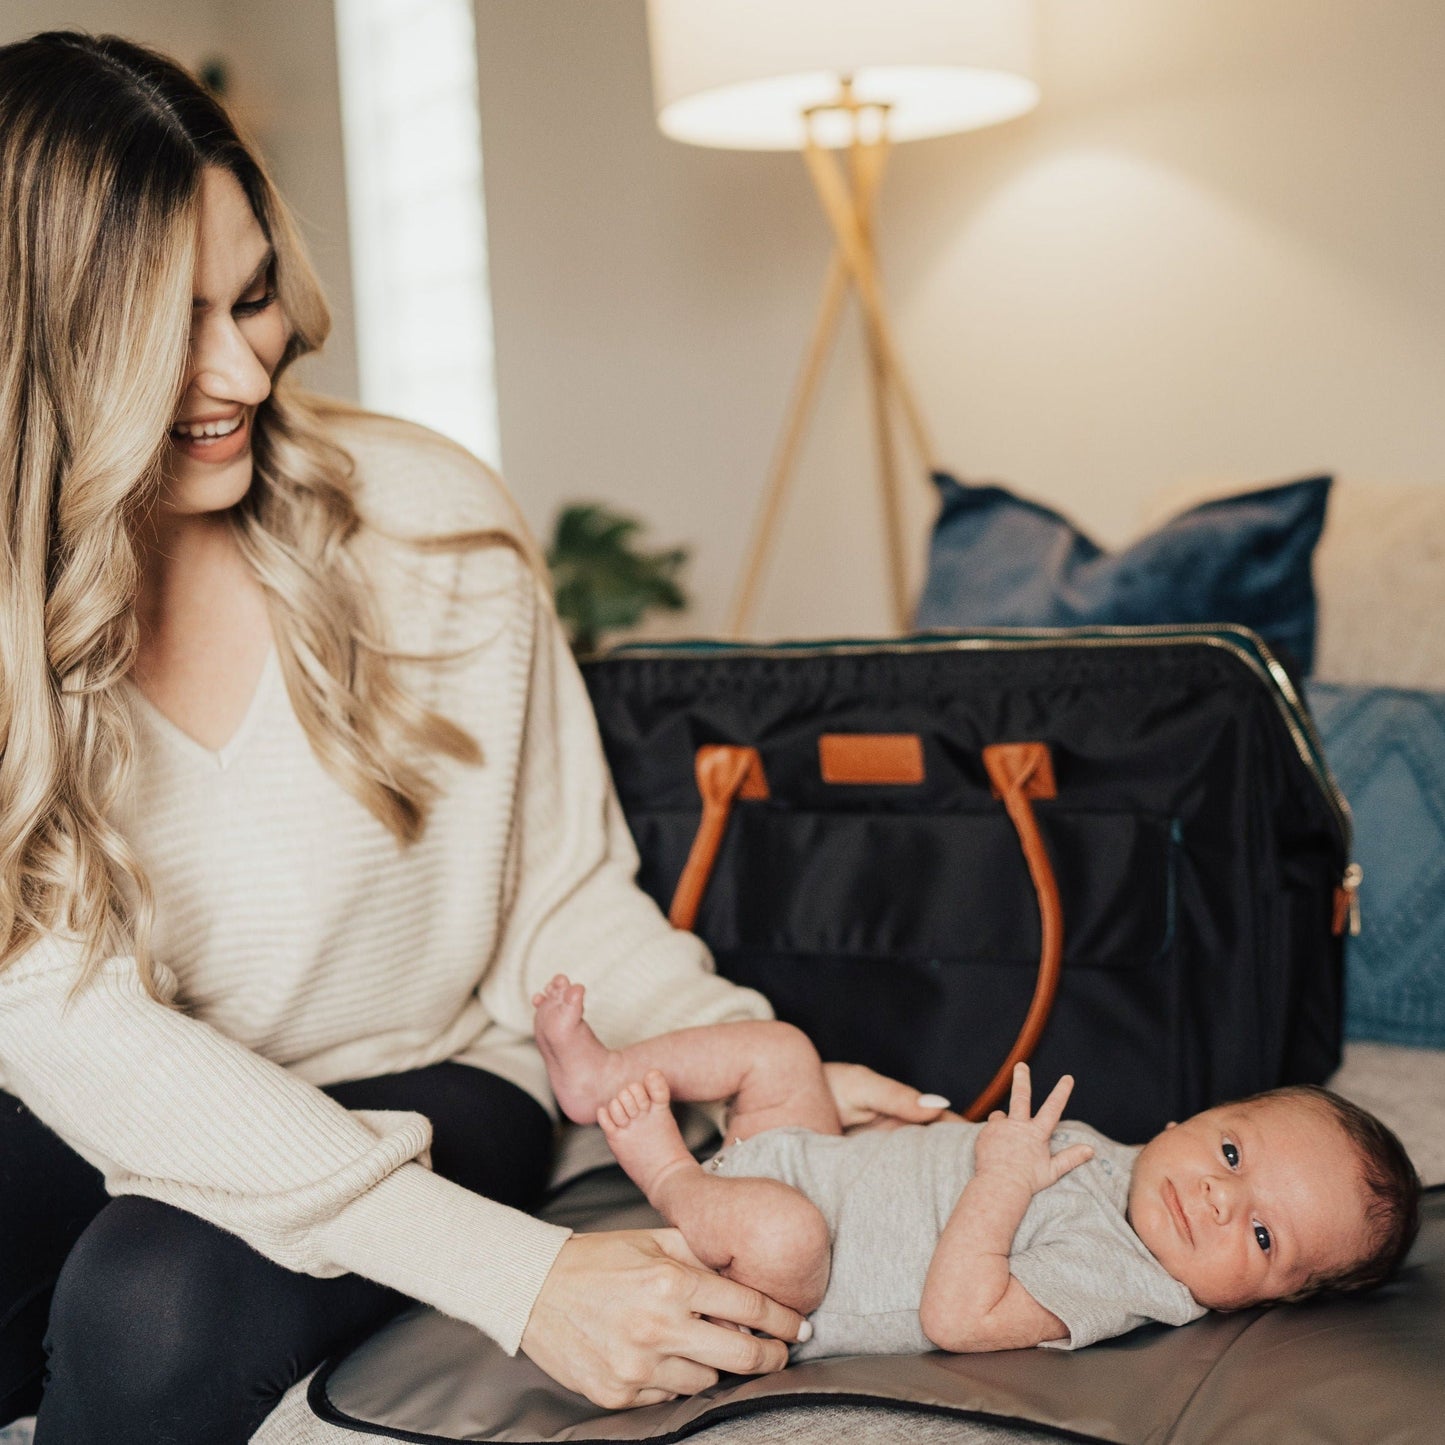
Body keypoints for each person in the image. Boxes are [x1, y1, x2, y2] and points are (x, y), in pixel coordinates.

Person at [0, 30, 949, 1442]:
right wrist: (533, 1283)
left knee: (154, 1307)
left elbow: (557, 899)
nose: (248, 375)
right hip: (110, 1092)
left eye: (252, 296)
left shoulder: (428, 524)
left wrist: (740, 1064)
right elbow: (69, 1033)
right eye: (167, 331)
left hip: (438, 1073)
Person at [533, 975, 1423, 1357]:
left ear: (1269, 1297)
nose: (1219, 1199)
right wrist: (943, 1133)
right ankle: (601, 1075)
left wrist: (1001, 1177)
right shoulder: (1118, 1161)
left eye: (1263, 1233)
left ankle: (668, 1173)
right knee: (781, 1050)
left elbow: (958, 1313)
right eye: (1230, 1152)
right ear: (1188, 1115)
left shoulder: (1121, 1278)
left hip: (787, 1283)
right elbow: (959, 1161)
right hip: (822, 1158)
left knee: (781, 1226)